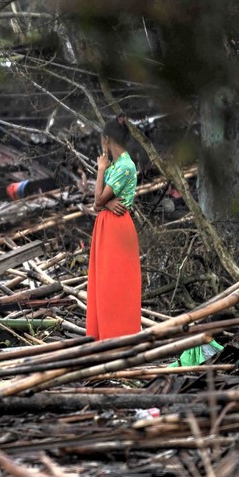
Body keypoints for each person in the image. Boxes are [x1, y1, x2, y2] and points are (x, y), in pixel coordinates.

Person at [86, 116, 142, 340]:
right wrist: (106, 202)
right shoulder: (117, 165)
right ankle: (102, 335)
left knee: (116, 284)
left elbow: (98, 200)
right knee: (102, 282)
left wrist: (100, 170)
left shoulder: (125, 166)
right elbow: (97, 203)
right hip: (107, 223)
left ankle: (118, 335)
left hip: (117, 227)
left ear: (107, 140)